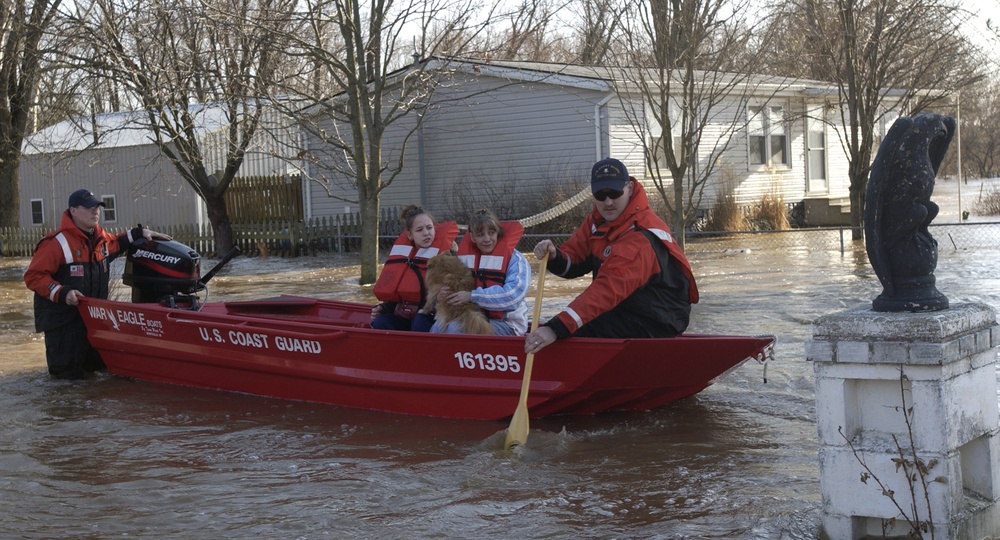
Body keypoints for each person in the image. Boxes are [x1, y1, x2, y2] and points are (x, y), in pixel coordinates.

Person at [524, 157, 699, 354]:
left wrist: (556, 328)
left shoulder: (640, 237)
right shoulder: (597, 221)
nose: (608, 202)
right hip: (624, 308)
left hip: (656, 320)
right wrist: (555, 256)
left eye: (615, 193)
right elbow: (576, 258)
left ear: (630, 189)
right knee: (571, 327)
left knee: (570, 332)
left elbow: (606, 290)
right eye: (600, 194)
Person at [24, 189, 173, 380]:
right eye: (89, 207)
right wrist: (62, 292)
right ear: (73, 211)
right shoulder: (56, 243)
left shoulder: (101, 239)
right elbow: (33, 276)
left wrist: (139, 233)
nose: (95, 211)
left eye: (97, 207)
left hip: (92, 321)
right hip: (63, 325)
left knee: (97, 378)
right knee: (65, 384)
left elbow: (117, 242)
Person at [430, 209, 530, 336]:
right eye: (481, 235)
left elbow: (512, 297)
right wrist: (441, 295)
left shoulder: (516, 259)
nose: (487, 239)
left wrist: (472, 296)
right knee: (438, 326)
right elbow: (454, 288)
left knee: (455, 328)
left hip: (507, 324)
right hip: (471, 316)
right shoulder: (463, 259)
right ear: (472, 237)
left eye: (491, 233)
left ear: (497, 233)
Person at [371, 205, 459, 331]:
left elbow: (456, 290)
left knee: (419, 322)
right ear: (410, 235)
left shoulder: (447, 254)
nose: (426, 233)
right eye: (419, 230)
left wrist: (439, 299)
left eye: (429, 228)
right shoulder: (402, 257)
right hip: (404, 314)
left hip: (431, 314)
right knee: (380, 322)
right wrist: (382, 308)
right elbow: (397, 295)